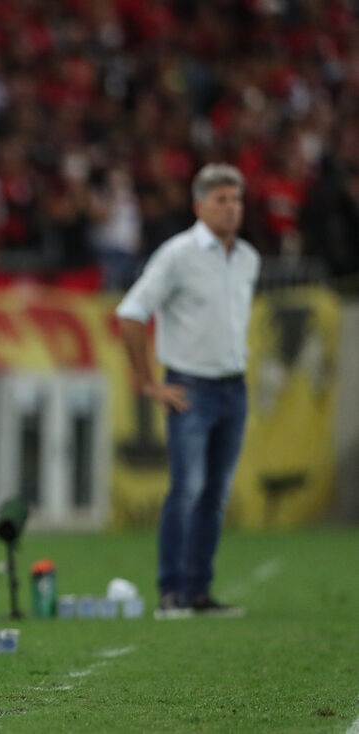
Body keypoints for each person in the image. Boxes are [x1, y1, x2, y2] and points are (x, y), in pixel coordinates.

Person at [116, 163, 260, 619]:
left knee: (215, 492)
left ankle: (199, 591)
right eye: (221, 199)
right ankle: (172, 592)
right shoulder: (177, 254)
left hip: (234, 387)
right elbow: (132, 313)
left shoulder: (248, 258)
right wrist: (145, 380)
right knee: (188, 488)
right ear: (199, 206)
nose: (231, 208)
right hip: (190, 387)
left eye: (236, 199)